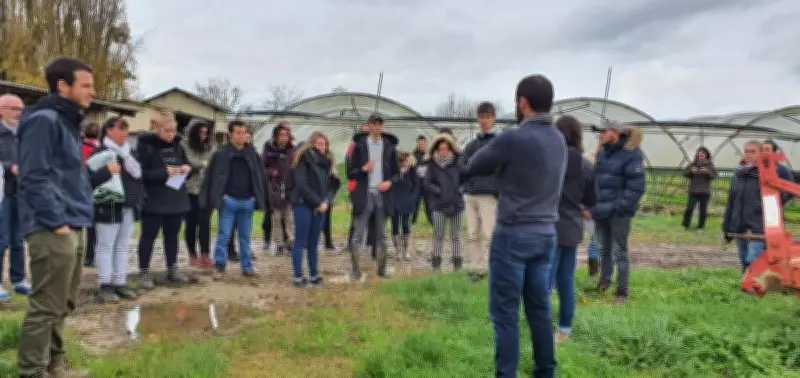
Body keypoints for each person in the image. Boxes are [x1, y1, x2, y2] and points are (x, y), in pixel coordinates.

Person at [465, 74, 564, 377]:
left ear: (523, 103)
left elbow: (473, 166)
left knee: (506, 314)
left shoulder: (512, 138)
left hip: (513, 233)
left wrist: (501, 170)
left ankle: (506, 374)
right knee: (540, 310)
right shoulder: (559, 139)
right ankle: (545, 371)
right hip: (546, 233)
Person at [17, 57, 95, 378]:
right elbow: (33, 177)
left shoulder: (66, 120)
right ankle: (32, 371)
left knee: (65, 302)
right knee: (46, 304)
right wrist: (57, 221)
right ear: (63, 85)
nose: (93, 91)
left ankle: (54, 363)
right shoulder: (44, 120)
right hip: (53, 226)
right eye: (86, 85)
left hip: (73, 222)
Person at [550, 115, 597, 343]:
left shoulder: (549, 160)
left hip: (548, 226)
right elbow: (592, 198)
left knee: (544, 281)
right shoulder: (584, 164)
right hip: (571, 228)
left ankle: (540, 328)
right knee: (566, 281)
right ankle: (564, 330)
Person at [202, 121, 268, 280]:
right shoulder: (221, 153)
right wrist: (222, 196)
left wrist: (255, 197)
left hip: (247, 202)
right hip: (228, 202)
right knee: (224, 235)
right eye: (237, 133)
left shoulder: (252, 154)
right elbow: (213, 177)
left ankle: (247, 267)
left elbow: (260, 178)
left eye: (244, 132)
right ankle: (219, 266)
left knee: (245, 237)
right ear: (230, 134)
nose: (241, 136)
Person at [87, 117, 144, 302]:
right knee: (105, 245)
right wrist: (108, 170)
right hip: (107, 204)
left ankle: (120, 282)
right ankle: (105, 284)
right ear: (109, 131)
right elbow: (89, 178)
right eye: (121, 129)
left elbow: (137, 178)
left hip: (128, 205)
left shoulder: (130, 153)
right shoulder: (100, 152)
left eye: (126, 129)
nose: (125, 133)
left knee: (122, 246)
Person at [136, 110, 194, 289]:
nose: (171, 134)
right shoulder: (145, 145)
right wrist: (164, 172)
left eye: (173, 131)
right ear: (157, 128)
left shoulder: (178, 145)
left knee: (172, 236)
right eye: (167, 131)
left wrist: (186, 169)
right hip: (153, 199)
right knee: (148, 236)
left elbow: (187, 164)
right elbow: (140, 173)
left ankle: (172, 268)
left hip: (175, 198)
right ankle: (144, 271)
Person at [590, 121, 645, 304]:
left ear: (615, 133)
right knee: (604, 248)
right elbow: (596, 179)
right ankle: (604, 282)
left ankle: (622, 291)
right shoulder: (604, 152)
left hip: (619, 212)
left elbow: (636, 185)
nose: (601, 135)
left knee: (619, 251)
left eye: (604, 131)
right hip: (601, 209)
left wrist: (621, 206)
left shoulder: (631, 153)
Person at [723, 140, 791, 272]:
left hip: (758, 228)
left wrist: (762, 207)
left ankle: (754, 289)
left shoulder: (768, 174)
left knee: (753, 260)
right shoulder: (739, 175)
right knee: (743, 259)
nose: (748, 154)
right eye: (746, 151)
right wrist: (727, 225)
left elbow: (781, 198)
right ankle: (748, 288)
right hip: (740, 227)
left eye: (753, 152)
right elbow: (731, 202)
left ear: (760, 154)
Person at [346, 113, 400, 281]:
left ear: (382, 127)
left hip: (382, 195)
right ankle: (356, 271)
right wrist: (363, 170)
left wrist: (390, 182)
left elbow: (397, 174)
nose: (377, 127)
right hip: (364, 194)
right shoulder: (359, 146)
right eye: (374, 124)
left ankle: (382, 270)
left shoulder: (389, 147)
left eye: (380, 124)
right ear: (368, 126)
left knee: (382, 235)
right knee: (358, 234)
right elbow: (350, 173)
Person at [289, 131, 341, 286]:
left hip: (320, 207)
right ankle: (298, 277)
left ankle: (314, 275)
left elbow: (333, 185)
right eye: (319, 143)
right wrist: (318, 202)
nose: (322, 146)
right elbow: (302, 184)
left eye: (324, 144)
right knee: (300, 241)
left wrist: (326, 201)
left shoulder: (328, 162)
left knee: (314, 242)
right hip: (303, 204)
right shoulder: (303, 159)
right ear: (311, 144)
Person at [459, 102, 499, 273]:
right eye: (481, 117)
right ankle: (477, 269)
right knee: (473, 234)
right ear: (477, 119)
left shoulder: (498, 143)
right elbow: (461, 165)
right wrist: (472, 169)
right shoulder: (471, 145)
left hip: (489, 194)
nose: (484, 121)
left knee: (490, 234)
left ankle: (495, 269)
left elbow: (498, 166)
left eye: (487, 117)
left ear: (493, 119)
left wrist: (473, 168)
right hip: (470, 193)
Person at [0, 93, 30, 301]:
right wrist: (10, 166)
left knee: (19, 239)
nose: (19, 113)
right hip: (3, 193)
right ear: (1, 110)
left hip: (22, 192)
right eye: (14, 109)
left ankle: (19, 280)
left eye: (21, 109)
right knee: (1, 240)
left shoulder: (25, 134)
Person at [425, 134, 465, 271]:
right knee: (438, 235)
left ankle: (457, 266)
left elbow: (466, 179)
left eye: (446, 149)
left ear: (451, 149)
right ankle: (436, 266)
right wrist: (439, 191)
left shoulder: (458, 162)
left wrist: (460, 190)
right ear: (436, 150)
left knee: (456, 235)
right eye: (441, 149)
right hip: (438, 205)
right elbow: (427, 182)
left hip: (457, 204)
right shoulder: (432, 164)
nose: (443, 151)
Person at [181, 119, 215, 269]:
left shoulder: (210, 146)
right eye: (201, 132)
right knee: (191, 223)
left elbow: (214, 162)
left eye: (206, 133)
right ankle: (192, 254)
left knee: (205, 222)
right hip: (189, 190)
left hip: (205, 190)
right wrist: (203, 164)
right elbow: (190, 162)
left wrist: (203, 164)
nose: (204, 135)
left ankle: (205, 255)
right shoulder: (184, 145)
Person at [262, 122, 295, 255]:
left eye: (286, 134)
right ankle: (279, 243)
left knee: (290, 218)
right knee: (275, 219)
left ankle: (291, 241)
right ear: (276, 136)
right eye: (281, 135)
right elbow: (261, 167)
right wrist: (271, 172)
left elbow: (296, 165)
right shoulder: (268, 149)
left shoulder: (292, 149)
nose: (283, 137)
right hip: (274, 189)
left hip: (288, 189)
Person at [345, 123, 377, 259]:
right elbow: (349, 171)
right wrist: (363, 170)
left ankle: (373, 248)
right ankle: (353, 245)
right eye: (364, 132)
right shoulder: (354, 147)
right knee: (357, 218)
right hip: (358, 188)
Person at [390, 150, 417, 261]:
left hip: (406, 201)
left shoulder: (411, 169)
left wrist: (412, 197)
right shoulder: (392, 169)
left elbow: (416, 184)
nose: (403, 163)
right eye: (400, 161)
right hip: (394, 201)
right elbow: (389, 182)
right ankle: (397, 252)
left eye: (404, 161)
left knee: (406, 224)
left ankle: (406, 251)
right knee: (395, 225)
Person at [80, 121, 100, 267]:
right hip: (96, 187)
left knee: (87, 225)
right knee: (95, 225)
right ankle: (91, 256)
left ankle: (87, 256)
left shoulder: (79, 147)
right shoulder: (98, 148)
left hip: (82, 188)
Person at [682, 147, 716, 231]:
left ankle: (700, 227)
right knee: (689, 208)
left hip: (705, 192)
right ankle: (685, 225)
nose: (700, 154)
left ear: (706, 155)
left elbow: (713, 176)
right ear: (697, 154)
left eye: (703, 153)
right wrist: (691, 171)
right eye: (699, 153)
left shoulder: (709, 165)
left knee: (702, 210)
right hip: (693, 191)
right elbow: (685, 173)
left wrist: (707, 171)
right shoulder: (693, 164)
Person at [583, 149, 600, 277]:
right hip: (585, 212)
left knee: (595, 242)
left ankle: (594, 274)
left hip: (593, 213)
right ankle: (594, 275)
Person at [411, 135, 431, 226]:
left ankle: (431, 221)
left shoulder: (430, 155)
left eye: (423, 143)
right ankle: (413, 221)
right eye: (420, 143)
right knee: (415, 203)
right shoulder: (413, 155)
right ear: (417, 144)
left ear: (426, 144)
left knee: (429, 204)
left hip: (427, 184)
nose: (421, 145)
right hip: (417, 183)